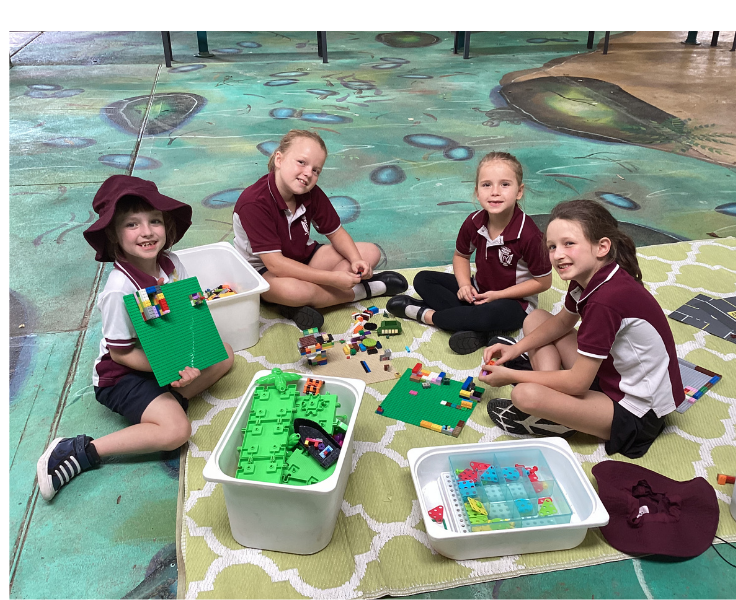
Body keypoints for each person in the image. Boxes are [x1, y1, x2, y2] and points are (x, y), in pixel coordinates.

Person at [36, 175, 234, 501]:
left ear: (167, 226)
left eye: (154, 221)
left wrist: (190, 357)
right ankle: (80, 451)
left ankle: (169, 398)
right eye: (132, 224)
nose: (146, 232)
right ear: (114, 234)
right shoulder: (119, 287)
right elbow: (120, 355)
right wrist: (171, 369)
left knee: (225, 353)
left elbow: (188, 318)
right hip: (122, 376)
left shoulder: (173, 265)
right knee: (176, 431)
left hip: (163, 356)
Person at [480, 199, 684, 459]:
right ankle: (553, 397)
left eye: (568, 244)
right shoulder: (590, 277)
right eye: (552, 246)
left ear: (602, 247)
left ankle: (553, 412)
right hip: (609, 373)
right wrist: (514, 349)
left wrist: (511, 376)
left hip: (637, 412)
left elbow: (577, 383)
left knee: (524, 394)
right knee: (537, 319)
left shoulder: (605, 300)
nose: (557, 254)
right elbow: (563, 322)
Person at [233, 129, 407, 330]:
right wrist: (333, 279)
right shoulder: (254, 203)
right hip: (263, 271)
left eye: (316, 170)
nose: (308, 173)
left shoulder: (311, 193)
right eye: (301, 162)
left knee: (370, 252)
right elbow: (276, 265)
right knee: (294, 292)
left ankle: (297, 306)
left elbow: (336, 232)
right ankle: (366, 290)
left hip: (303, 256)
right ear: (279, 159)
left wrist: (356, 259)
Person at [387, 151, 552, 354]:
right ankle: (482, 331)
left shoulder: (529, 235)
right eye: (486, 185)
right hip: (479, 290)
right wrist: (465, 285)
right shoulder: (474, 222)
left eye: (505, 184)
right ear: (477, 192)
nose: (495, 192)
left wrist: (498, 295)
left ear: (519, 191)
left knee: (491, 314)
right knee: (423, 279)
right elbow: (461, 256)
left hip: (513, 302)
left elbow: (543, 282)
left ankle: (425, 315)